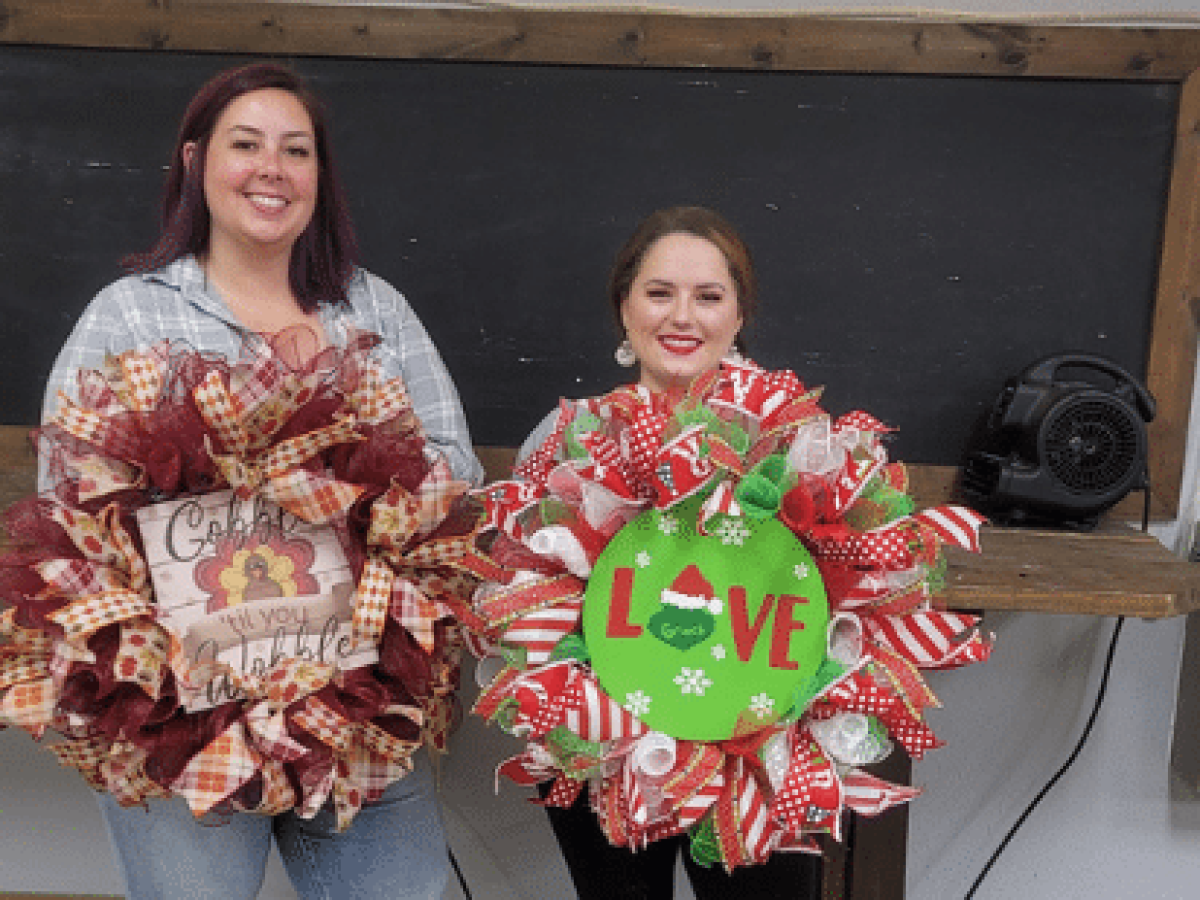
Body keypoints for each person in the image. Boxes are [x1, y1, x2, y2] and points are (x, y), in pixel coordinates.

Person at [40, 62, 482, 900]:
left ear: (321, 175)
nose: (271, 169)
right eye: (246, 146)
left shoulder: (373, 311)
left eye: (296, 150)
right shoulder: (129, 313)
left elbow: (453, 471)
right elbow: (67, 498)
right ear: (196, 162)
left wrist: (347, 471)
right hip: (182, 713)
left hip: (358, 703)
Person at [518, 206, 823, 899]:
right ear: (624, 307)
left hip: (757, 747)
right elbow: (518, 604)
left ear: (740, 314)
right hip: (606, 746)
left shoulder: (797, 442)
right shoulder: (565, 439)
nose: (682, 316)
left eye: (708, 297)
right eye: (659, 293)